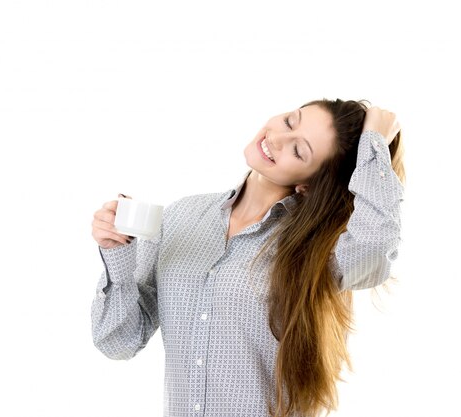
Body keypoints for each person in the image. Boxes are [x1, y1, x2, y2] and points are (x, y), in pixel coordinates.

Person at [90, 98, 405, 417]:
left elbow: (376, 247)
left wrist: (373, 144)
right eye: (289, 122)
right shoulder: (180, 217)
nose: (277, 139)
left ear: (308, 185)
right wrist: (117, 251)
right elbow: (119, 342)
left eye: (299, 151)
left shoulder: (318, 250)